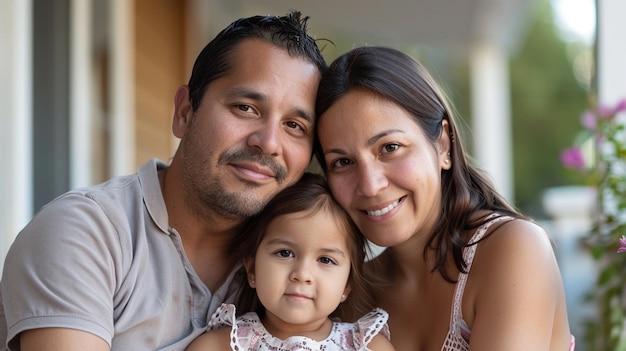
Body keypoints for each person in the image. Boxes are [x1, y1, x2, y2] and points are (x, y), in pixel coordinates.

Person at [0, 10, 327, 351]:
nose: (269, 143)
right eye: (246, 108)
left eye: (295, 126)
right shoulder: (85, 232)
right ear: (185, 112)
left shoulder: (303, 263)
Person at [314, 46, 575, 351]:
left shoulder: (512, 249)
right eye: (342, 162)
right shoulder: (345, 291)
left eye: (389, 148)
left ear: (442, 145)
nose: (370, 185)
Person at [186, 172, 395, 351]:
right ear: (252, 271)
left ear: (347, 285)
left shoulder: (368, 346)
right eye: (285, 253)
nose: (302, 274)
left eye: (325, 259)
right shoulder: (220, 346)